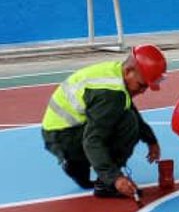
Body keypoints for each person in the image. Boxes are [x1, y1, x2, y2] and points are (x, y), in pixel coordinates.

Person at [41, 44, 167, 199]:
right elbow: (92, 140)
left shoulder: (115, 73)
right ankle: (104, 185)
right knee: (128, 124)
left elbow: (128, 107)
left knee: (122, 116)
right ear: (128, 72)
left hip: (59, 132)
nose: (142, 91)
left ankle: (76, 164)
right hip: (64, 136)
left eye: (146, 87)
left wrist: (151, 140)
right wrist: (114, 179)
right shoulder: (111, 94)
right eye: (141, 85)